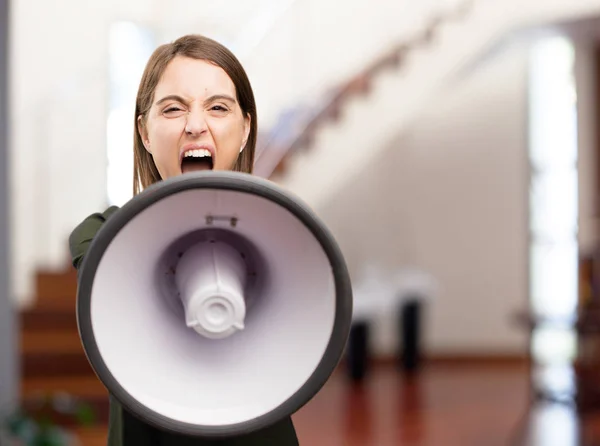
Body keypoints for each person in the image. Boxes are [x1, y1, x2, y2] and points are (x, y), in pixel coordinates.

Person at [69, 34, 300, 446]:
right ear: (143, 131)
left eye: (217, 108)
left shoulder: (284, 239)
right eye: (173, 109)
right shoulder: (100, 236)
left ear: (245, 129)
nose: (196, 125)